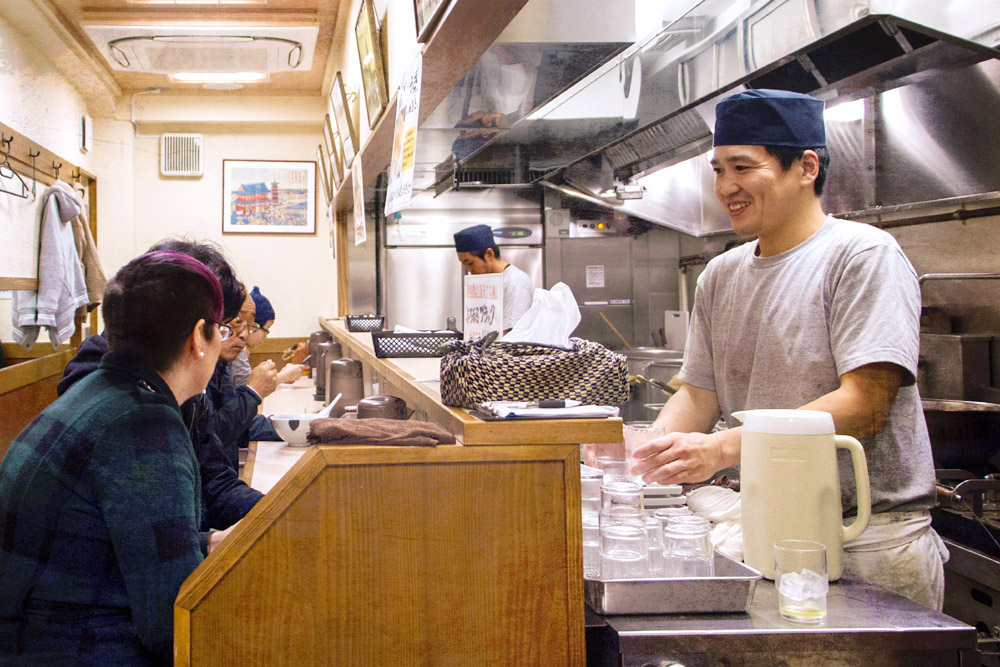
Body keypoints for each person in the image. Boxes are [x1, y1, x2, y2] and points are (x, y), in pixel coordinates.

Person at [629, 89, 945, 610]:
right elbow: (700, 395)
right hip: (763, 527)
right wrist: (648, 453)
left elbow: (865, 405)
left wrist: (723, 449)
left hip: (865, 538)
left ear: (806, 167)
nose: (726, 186)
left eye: (743, 167)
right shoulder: (721, 275)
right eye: (718, 169)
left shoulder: (862, 256)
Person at [0, 251, 225, 664]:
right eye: (221, 331)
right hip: (72, 649)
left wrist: (205, 543)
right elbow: (171, 621)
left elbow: (99, 537)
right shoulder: (144, 423)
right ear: (199, 337)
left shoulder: (96, 392)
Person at [57, 239, 265, 543]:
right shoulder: (119, 398)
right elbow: (145, 548)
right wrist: (207, 544)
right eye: (222, 328)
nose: (227, 340)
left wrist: (282, 512)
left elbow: (216, 481)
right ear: (195, 334)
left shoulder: (183, 386)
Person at [453, 223, 534, 332]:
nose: (468, 269)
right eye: (464, 264)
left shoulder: (515, 282)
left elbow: (511, 336)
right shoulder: (487, 283)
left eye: (470, 263)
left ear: (489, 254)